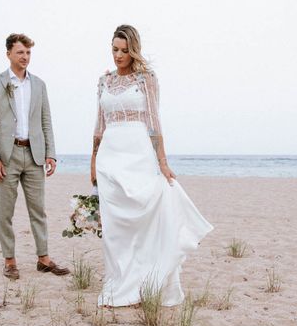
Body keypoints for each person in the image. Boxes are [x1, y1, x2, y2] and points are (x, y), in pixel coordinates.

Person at [91, 25, 213, 307]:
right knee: (115, 225)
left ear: (134, 50)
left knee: (145, 214)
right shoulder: (103, 81)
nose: (118, 55)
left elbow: (154, 122)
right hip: (110, 156)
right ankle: (119, 280)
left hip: (139, 153)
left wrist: (163, 162)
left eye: (123, 50)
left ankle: (147, 279)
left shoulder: (146, 78)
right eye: (114, 49)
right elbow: (99, 125)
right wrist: (93, 163)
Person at [0, 33, 69, 280]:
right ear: (9, 53)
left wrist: (50, 153)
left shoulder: (39, 84)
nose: (25, 57)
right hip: (6, 157)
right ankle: (9, 261)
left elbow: (46, 121)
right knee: (5, 212)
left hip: (34, 154)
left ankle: (44, 259)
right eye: (20, 52)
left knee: (38, 210)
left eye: (28, 53)